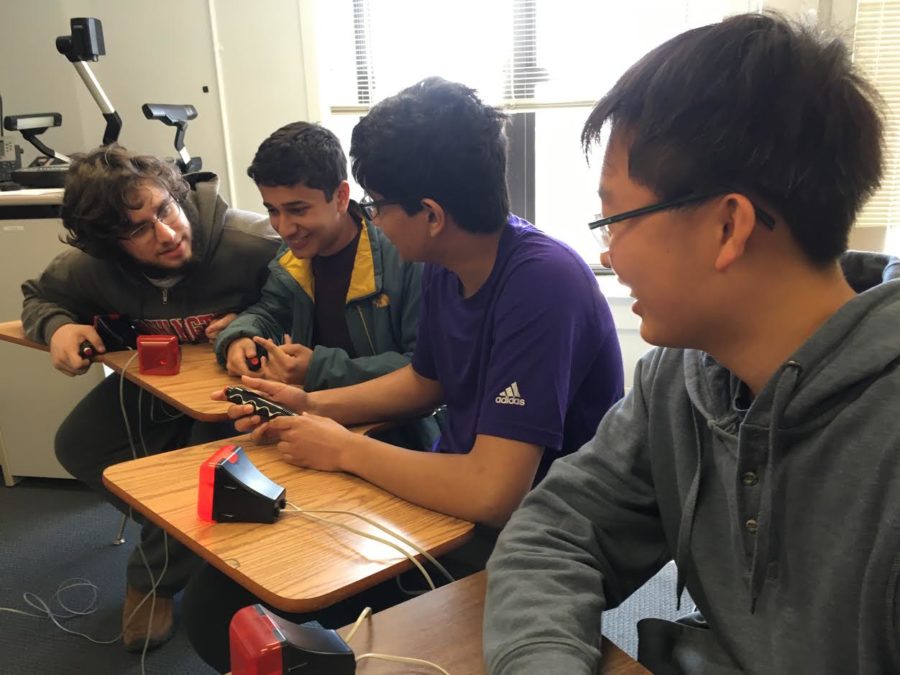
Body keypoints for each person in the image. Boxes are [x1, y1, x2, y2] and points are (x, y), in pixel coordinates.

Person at [483, 12, 900, 675]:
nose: (607, 253)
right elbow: (556, 530)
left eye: (615, 219)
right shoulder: (678, 380)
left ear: (727, 225)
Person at [182, 77, 624, 672]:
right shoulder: (446, 260)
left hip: (530, 534)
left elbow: (495, 492)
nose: (374, 218)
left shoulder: (543, 283)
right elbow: (426, 382)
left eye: (378, 203)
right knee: (218, 599)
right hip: (456, 496)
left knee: (243, 612)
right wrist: (309, 406)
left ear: (432, 214)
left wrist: (342, 450)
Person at [21, 145, 279, 651]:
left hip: (236, 398)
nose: (165, 233)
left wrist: (259, 320)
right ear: (108, 246)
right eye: (138, 229)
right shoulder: (89, 267)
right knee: (78, 444)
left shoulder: (252, 243)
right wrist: (57, 327)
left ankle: (152, 579)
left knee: (205, 474)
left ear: (175, 195)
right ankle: (189, 535)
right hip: (154, 385)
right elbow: (38, 295)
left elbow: (309, 293)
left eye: (164, 209)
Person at [211, 121, 437, 449]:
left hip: (398, 439)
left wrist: (317, 369)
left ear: (341, 196)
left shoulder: (406, 257)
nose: (284, 227)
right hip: (310, 427)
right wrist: (239, 338)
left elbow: (424, 369)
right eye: (272, 210)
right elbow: (269, 311)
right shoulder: (293, 258)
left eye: (298, 210)